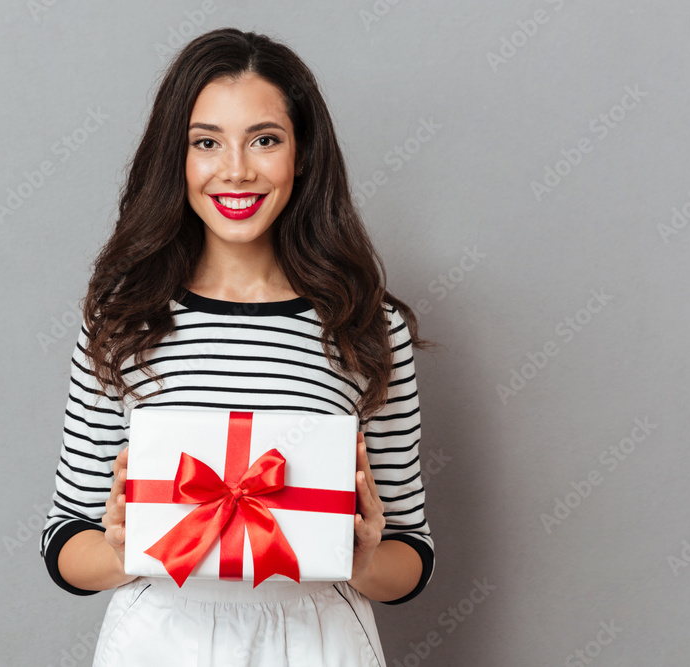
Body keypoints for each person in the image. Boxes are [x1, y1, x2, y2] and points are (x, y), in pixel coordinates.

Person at [40, 27, 436, 667]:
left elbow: (412, 555)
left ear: (301, 154)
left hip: (318, 638)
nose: (236, 170)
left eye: (265, 140)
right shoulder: (123, 318)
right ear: (179, 159)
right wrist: (118, 550)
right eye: (206, 143)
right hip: (162, 636)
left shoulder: (366, 324)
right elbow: (63, 544)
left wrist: (362, 558)